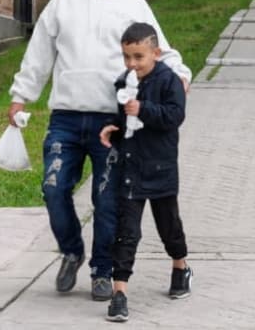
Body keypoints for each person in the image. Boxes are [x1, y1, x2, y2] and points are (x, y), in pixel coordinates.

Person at [8, 0, 192, 302]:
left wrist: (181, 74)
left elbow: (158, 48)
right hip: (66, 117)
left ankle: (102, 271)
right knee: (53, 189)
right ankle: (72, 251)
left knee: (108, 201)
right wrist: (21, 96)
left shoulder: (133, 4)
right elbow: (40, 51)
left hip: (112, 121)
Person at [100, 23, 192, 323]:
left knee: (169, 227)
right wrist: (113, 130)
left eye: (138, 57)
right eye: (127, 57)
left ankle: (180, 266)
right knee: (127, 232)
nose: (132, 64)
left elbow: (174, 116)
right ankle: (119, 294)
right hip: (131, 167)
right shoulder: (125, 81)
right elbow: (124, 117)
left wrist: (143, 109)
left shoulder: (169, 81)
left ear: (156, 52)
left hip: (161, 167)